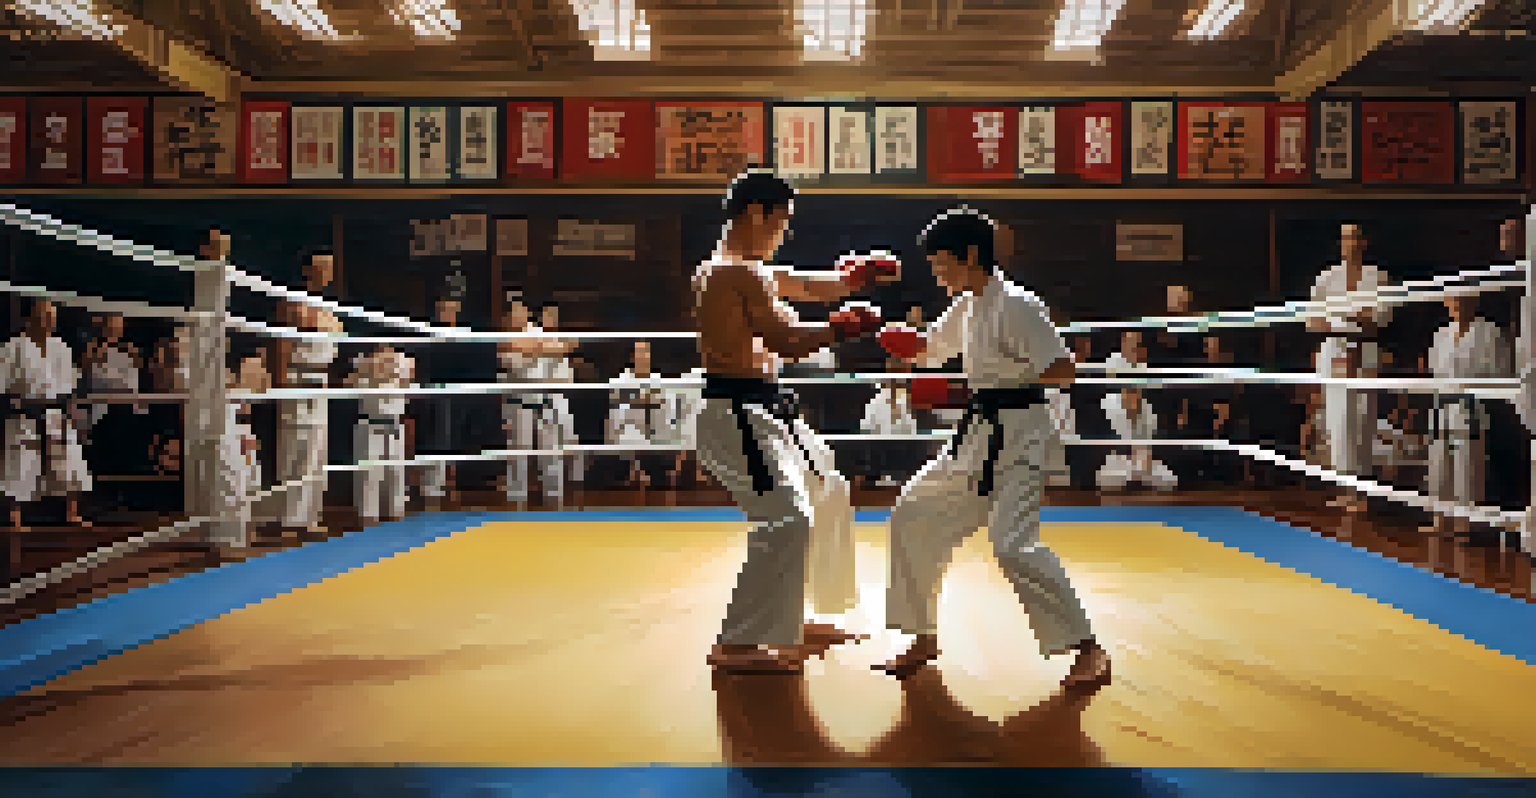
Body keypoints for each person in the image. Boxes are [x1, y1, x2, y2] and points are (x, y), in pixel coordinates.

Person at [873, 207, 1108, 688]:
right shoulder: (967, 304)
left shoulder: (1018, 305)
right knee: (913, 511)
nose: (936, 273)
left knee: (1012, 544)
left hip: (1020, 437)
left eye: (942, 263)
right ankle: (921, 634)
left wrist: (1000, 380)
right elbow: (933, 351)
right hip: (977, 436)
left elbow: (1062, 370)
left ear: (971, 256)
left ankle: (1088, 648)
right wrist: (897, 341)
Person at [692, 168, 885, 674]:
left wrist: (849, 280)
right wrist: (842, 328)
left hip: (767, 407)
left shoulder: (741, 268)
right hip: (738, 412)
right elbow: (786, 340)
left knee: (829, 489)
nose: (784, 233)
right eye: (781, 222)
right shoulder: (733, 272)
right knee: (785, 518)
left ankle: (794, 616)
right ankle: (737, 642)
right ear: (756, 213)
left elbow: (803, 284)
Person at [1308, 223, 1391, 513]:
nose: (1350, 243)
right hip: (1334, 352)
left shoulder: (1377, 276)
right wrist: (1348, 316)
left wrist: (1343, 315)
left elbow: (1381, 317)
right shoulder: (1327, 277)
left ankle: (1362, 490)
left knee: (1362, 418)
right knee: (1337, 420)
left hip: (1364, 349)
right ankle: (1344, 487)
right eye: (1345, 238)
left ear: (1364, 242)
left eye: (1355, 237)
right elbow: (1312, 320)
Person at [1425, 293, 1512, 537]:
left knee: (1467, 464)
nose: (1457, 305)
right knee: (1438, 464)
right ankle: (1439, 520)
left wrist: (1478, 388)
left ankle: (1464, 524)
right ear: (1446, 303)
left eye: (1462, 300)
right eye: (1452, 300)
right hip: (1442, 402)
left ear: (1474, 301)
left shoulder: (1488, 332)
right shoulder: (1441, 334)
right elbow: (1434, 371)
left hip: (1471, 404)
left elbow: (1501, 370)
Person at [1, 299, 92, 530]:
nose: (49, 321)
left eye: (52, 316)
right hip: (24, 411)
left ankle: (71, 513)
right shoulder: (13, 347)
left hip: (55, 410)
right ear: (30, 318)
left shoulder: (60, 346)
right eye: (44, 315)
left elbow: (71, 382)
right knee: (20, 463)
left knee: (69, 459)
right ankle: (15, 518)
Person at [272, 248, 341, 542]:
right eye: (321, 267)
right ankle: (288, 520)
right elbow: (282, 344)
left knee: (316, 450)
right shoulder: (293, 302)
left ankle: (310, 517)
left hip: (320, 380)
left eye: (329, 268)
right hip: (297, 378)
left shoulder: (330, 309)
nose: (326, 273)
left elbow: (333, 351)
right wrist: (280, 384)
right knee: (293, 448)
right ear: (308, 271)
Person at [350, 344, 413, 525]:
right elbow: (352, 386)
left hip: (394, 422)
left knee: (395, 471)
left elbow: (408, 386)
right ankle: (368, 515)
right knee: (369, 473)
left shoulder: (404, 362)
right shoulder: (364, 364)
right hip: (371, 423)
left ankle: (395, 511)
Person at [607, 340, 670, 489]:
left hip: (654, 428)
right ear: (633, 357)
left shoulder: (657, 378)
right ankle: (631, 470)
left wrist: (642, 399)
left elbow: (660, 399)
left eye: (646, 352)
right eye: (640, 353)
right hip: (628, 426)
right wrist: (643, 399)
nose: (643, 356)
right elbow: (618, 397)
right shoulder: (623, 378)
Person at [1096, 386, 1177, 492]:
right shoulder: (1107, 404)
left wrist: (1141, 464)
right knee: (1106, 479)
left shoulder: (1147, 409)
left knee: (1168, 479)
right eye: (1129, 392)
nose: (1132, 396)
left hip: (1142, 460)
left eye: (1136, 392)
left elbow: (1147, 445)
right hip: (1116, 459)